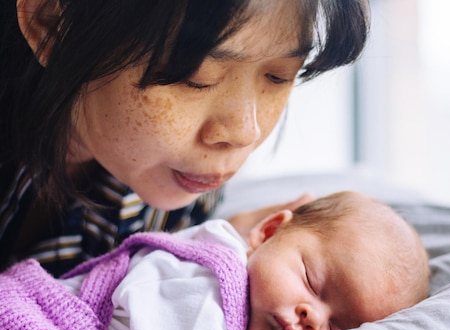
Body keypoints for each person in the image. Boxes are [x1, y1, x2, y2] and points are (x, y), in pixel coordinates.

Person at [0, 0, 370, 276]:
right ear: (52, 24)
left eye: (278, 77)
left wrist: (195, 246)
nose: (244, 132)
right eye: (196, 77)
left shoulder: (177, 187)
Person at [0, 191, 430, 330]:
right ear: (268, 231)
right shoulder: (212, 281)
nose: (312, 318)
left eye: (337, 329)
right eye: (312, 282)